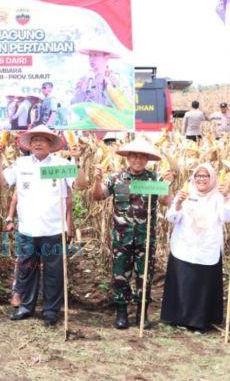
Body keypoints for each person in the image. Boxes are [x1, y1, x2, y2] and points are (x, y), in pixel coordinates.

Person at [75, 138, 174, 329]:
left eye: (142, 157)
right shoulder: (116, 178)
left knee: (144, 276)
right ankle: (121, 313)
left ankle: (142, 313)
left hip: (145, 238)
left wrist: (168, 184)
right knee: (120, 276)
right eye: (134, 156)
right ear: (128, 158)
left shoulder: (155, 179)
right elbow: (98, 196)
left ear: (147, 160)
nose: (137, 160)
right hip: (122, 238)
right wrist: (96, 180)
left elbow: (164, 201)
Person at [0, 125, 74, 327]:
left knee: (54, 273)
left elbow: (80, 184)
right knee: (27, 269)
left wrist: (78, 161)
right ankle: (26, 307)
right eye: (34, 139)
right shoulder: (21, 164)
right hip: (27, 229)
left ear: (51, 144)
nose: (38, 142)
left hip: (54, 229)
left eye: (43, 139)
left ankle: (50, 311)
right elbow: (1, 182)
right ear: (29, 144)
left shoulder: (62, 164)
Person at [160, 163, 230, 332]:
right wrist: (177, 203)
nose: (201, 179)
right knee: (184, 283)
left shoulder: (219, 196)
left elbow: (228, 217)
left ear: (212, 178)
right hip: (184, 245)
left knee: (203, 286)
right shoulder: (185, 193)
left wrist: (227, 197)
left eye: (205, 176)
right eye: (198, 176)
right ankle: (178, 318)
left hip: (208, 246)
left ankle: (201, 321)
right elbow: (171, 217)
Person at [71, 39, 121, 106]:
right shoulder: (84, 79)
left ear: (106, 57)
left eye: (96, 55)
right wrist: (83, 90)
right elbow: (74, 103)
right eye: (90, 55)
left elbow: (123, 104)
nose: (91, 59)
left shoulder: (115, 79)